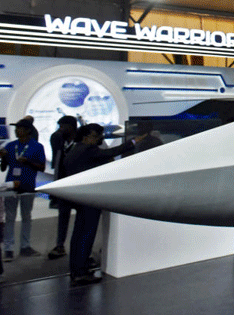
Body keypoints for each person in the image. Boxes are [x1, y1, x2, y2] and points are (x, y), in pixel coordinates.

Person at [63, 123, 142, 285]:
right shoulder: (88, 150)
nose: (99, 139)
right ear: (86, 137)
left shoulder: (74, 150)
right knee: (86, 235)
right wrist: (133, 142)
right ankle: (81, 272)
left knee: (78, 235)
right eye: (96, 136)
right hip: (90, 199)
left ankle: (77, 270)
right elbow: (110, 153)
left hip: (79, 199)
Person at [0, 119, 47, 261]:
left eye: (19, 128)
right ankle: (8, 249)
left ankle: (25, 246)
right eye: (16, 128)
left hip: (28, 185)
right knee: (9, 217)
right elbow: (3, 168)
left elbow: (42, 167)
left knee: (26, 216)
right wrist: (3, 157)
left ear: (28, 130)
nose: (16, 131)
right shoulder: (10, 145)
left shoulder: (37, 146)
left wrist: (28, 162)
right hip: (11, 185)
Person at [47, 115, 79, 259]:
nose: (60, 129)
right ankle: (60, 245)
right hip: (63, 186)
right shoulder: (60, 142)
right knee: (63, 217)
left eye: (62, 126)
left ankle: (80, 248)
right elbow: (58, 164)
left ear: (71, 127)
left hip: (78, 186)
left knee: (82, 219)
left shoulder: (81, 142)